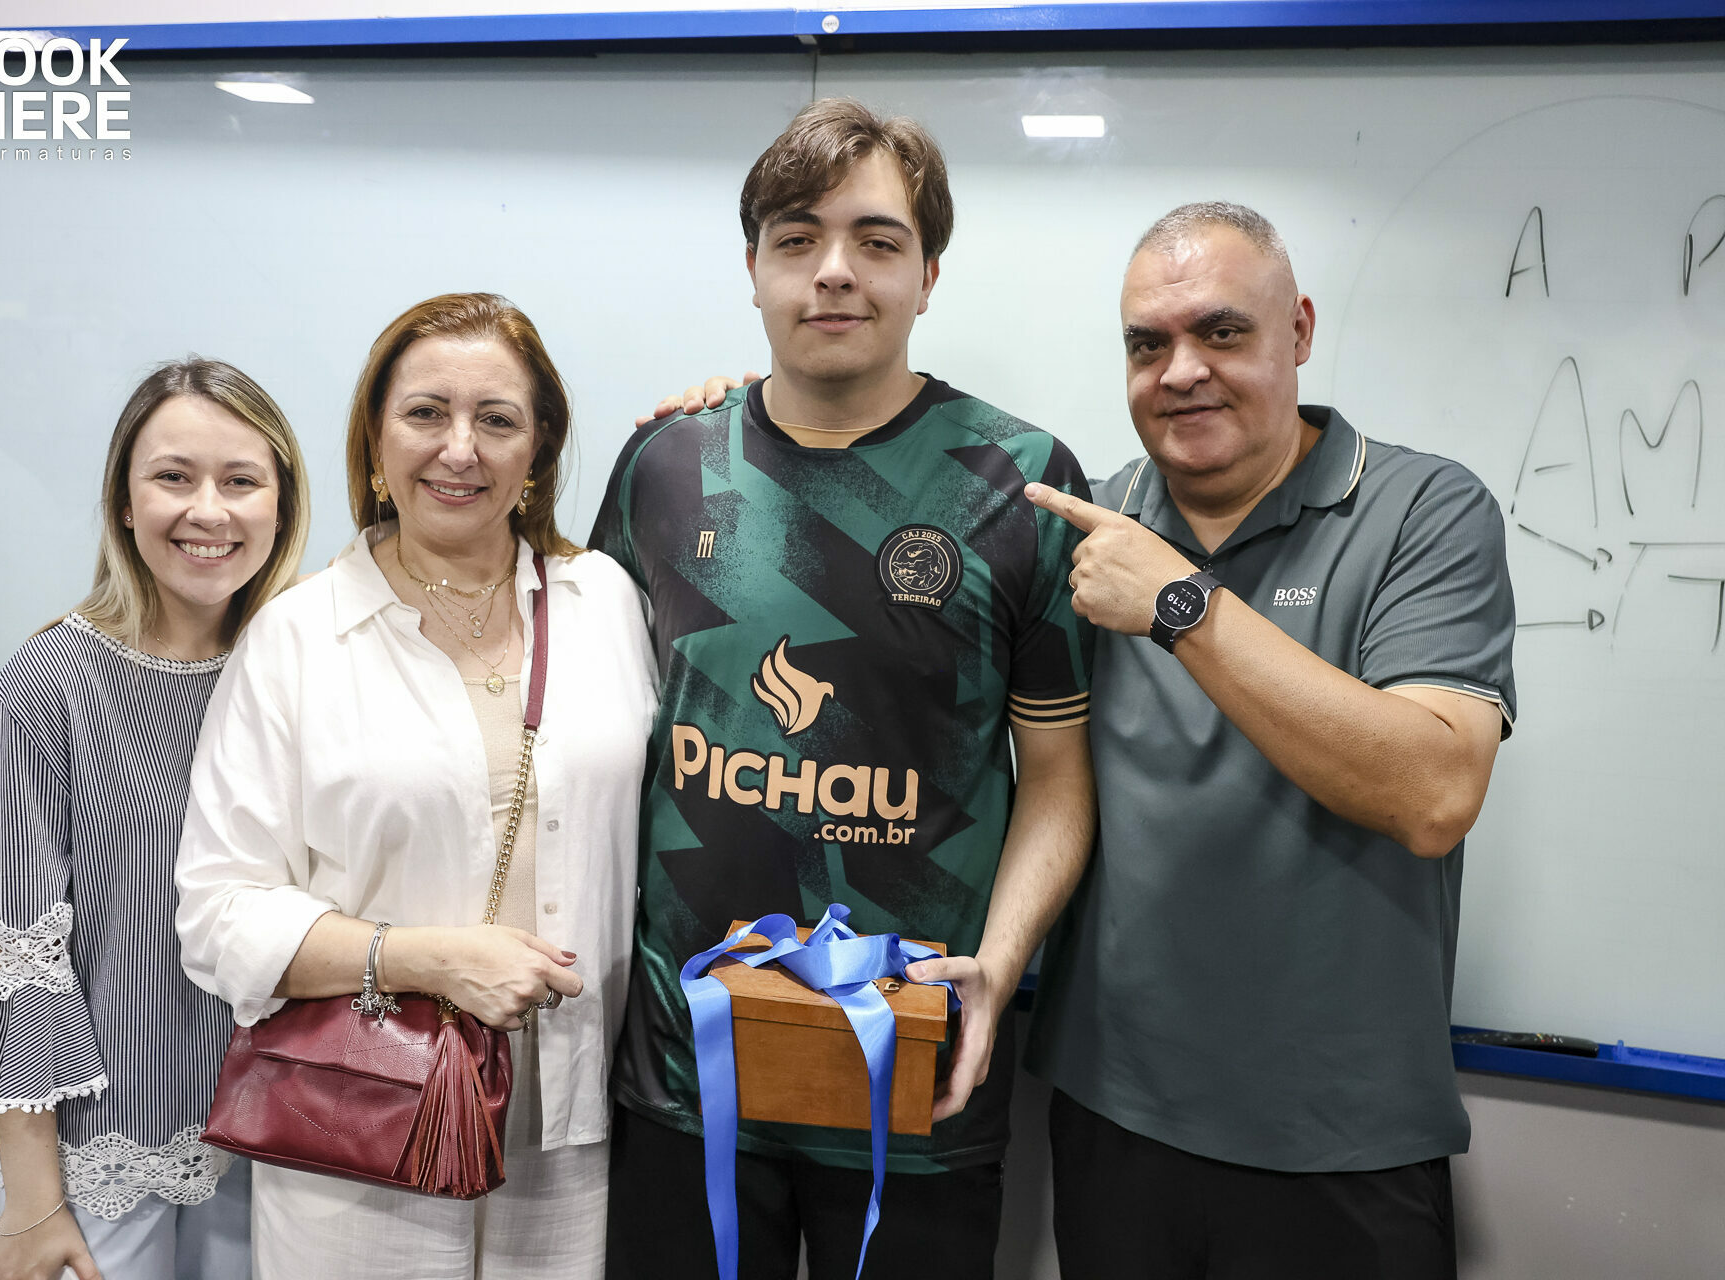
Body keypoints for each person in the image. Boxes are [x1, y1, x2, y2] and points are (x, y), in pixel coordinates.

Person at [592, 98, 1096, 1280]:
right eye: (796, 238)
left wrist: (1000, 965)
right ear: (753, 269)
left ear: (929, 275)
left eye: (876, 240)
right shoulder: (665, 464)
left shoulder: (1019, 483)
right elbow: (596, 740)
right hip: (687, 1077)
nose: (833, 271)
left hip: (917, 1079)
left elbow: (1059, 780)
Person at [1022, 202, 1516, 1279]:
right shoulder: (1088, 528)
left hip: (1341, 1139)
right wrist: (745, 415)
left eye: (1222, 332)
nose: (1181, 371)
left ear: (1298, 329)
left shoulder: (1423, 510)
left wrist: (1180, 603)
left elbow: (1435, 792)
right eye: (1147, 344)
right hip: (1114, 1117)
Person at [174, 292, 657, 1280]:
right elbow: (218, 915)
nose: (459, 449)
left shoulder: (605, 601)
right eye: (426, 413)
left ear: (539, 448)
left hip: (572, 1125)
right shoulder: (298, 638)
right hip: (362, 1127)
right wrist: (432, 960)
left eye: (497, 419)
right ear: (375, 439)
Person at [0, 358, 313, 1280]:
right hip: (106, 1156)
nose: (208, 510)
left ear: (282, 507)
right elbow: (12, 962)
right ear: (125, 503)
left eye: (241, 481)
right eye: (174, 476)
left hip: (284, 1137)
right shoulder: (48, 685)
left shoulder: (299, 672)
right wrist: (32, 1203)